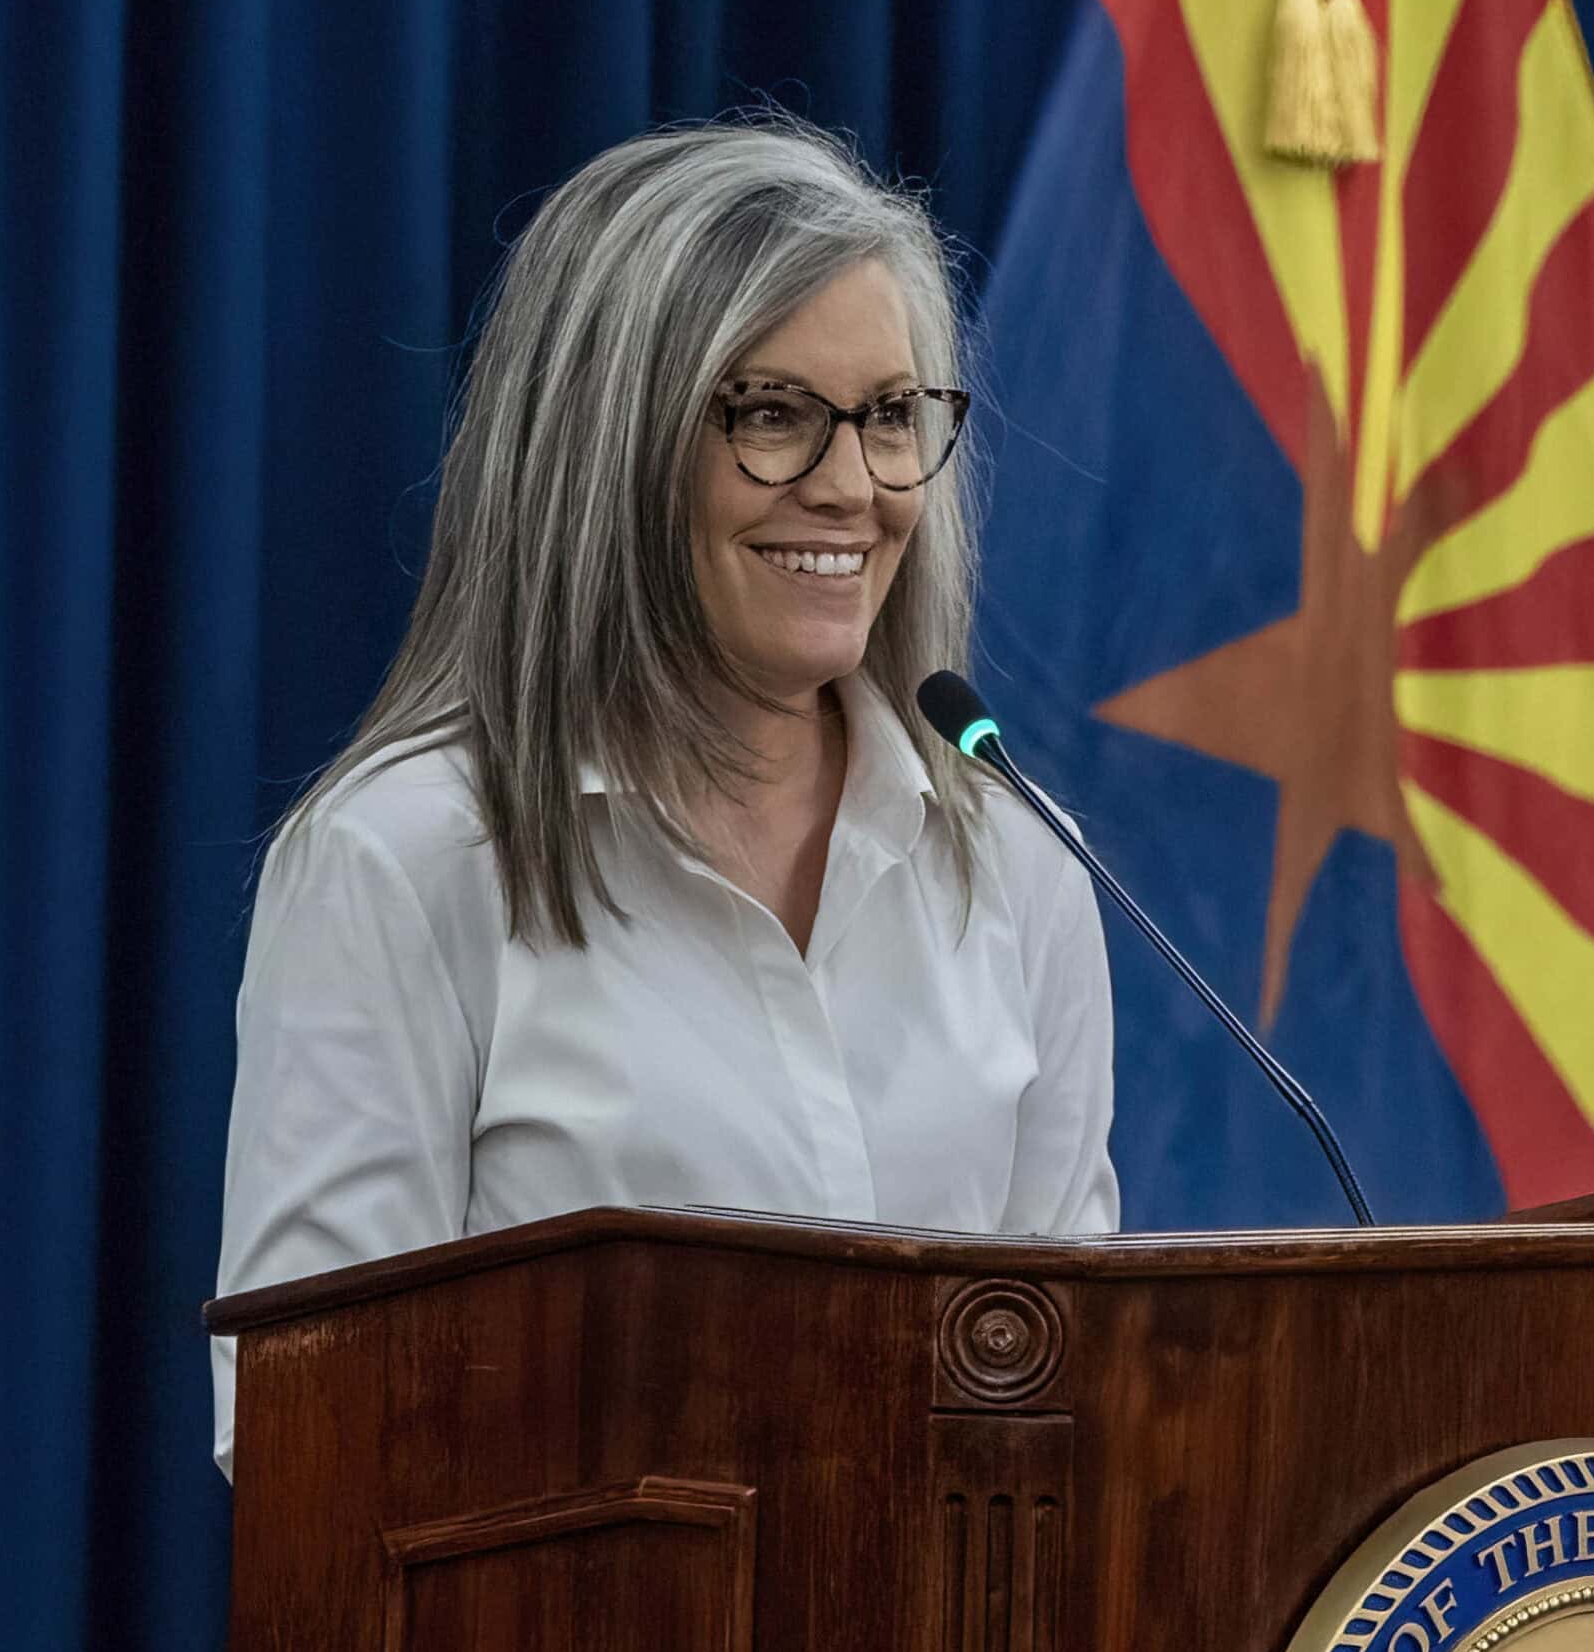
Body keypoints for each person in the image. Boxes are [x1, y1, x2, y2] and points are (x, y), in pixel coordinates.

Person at [211, 121, 1119, 1476]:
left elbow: (1076, 1396)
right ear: (607, 445)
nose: (850, 487)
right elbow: (310, 1442)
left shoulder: (1018, 860)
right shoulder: (405, 859)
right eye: (770, 416)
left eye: (887, 415)